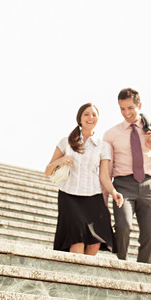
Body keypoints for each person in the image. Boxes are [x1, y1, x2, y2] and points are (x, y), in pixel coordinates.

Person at [103, 87, 151, 263]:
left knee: (150, 232)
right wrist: (104, 199)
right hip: (122, 185)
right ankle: (120, 265)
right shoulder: (111, 134)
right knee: (123, 226)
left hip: (149, 185)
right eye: (122, 108)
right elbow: (107, 170)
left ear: (139, 105)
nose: (126, 113)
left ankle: (144, 272)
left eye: (130, 108)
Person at [45, 102, 124, 255]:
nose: (90, 117)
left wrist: (114, 192)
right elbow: (48, 171)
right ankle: (74, 276)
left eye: (94, 114)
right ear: (79, 119)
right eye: (86, 114)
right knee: (77, 241)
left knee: (95, 242)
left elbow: (104, 176)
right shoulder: (66, 142)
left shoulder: (103, 146)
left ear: (98, 119)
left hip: (92, 197)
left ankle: (83, 275)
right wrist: (62, 160)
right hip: (69, 196)